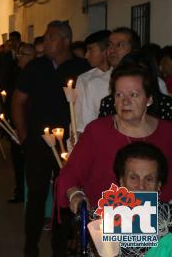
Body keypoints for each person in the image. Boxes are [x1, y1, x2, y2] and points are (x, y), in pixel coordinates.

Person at [12, 20, 90, 257]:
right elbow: (18, 101)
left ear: (66, 41)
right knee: (35, 195)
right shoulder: (35, 67)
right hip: (38, 143)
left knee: (65, 197)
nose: (45, 42)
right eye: (45, 37)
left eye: (51, 38)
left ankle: (60, 246)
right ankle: (30, 246)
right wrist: (24, 137)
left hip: (70, 145)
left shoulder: (82, 68)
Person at [58, 63, 172, 215]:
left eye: (133, 95)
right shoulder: (97, 131)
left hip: (161, 225)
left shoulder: (168, 132)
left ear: (149, 99)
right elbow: (70, 173)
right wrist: (75, 195)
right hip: (105, 224)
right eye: (119, 95)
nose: (125, 101)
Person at [4, 42, 36, 204]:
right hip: (15, 125)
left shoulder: (36, 77)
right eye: (19, 53)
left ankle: (29, 194)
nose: (19, 57)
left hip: (28, 126)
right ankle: (20, 192)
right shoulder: (16, 73)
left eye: (23, 54)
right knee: (17, 160)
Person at [74, 30, 112, 134]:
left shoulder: (120, 75)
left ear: (105, 50)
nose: (86, 55)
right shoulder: (85, 79)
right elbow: (79, 115)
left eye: (91, 50)